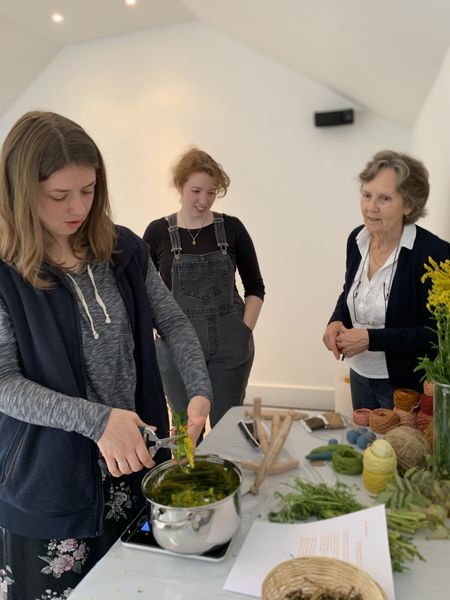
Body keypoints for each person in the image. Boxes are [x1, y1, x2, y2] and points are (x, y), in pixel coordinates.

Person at [0, 111, 212, 600]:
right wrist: (96, 421)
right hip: (48, 483)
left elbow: (174, 322)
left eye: (89, 190)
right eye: (60, 195)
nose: (78, 207)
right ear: (20, 190)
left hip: (132, 465)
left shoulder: (122, 247)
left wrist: (199, 390)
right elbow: (4, 382)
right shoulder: (6, 270)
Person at [143, 147, 265, 427]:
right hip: (176, 347)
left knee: (227, 425)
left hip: (230, 345)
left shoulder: (232, 229)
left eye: (211, 192)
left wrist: (243, 331)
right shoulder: (157, 232)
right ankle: (184, 471)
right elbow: (142, 289)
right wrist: (156, 326)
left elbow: (255, 286)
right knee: (184, 425)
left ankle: (227, 469)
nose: (204, 200)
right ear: (179, 185)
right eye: (196, 191)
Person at [322, 150, 450, 410]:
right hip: (359, 374)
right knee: (366, 447)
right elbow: (351, 290)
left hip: (403, 384)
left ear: (409, 205)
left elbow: (432, 334)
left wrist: (371, 339)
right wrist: (336, 320)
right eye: (367, 195)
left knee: (401, 450)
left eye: (384, 198)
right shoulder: (357, 240)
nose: (371, 207)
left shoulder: (433, 254)